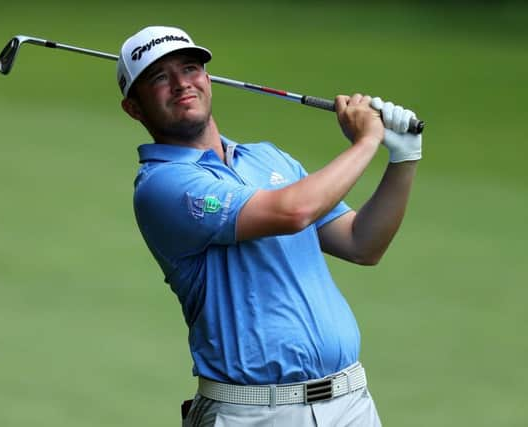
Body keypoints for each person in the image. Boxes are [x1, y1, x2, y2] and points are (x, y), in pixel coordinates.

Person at [117, 25, 421, 427]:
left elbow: (362, 243)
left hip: (351, 404)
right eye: (159, 78)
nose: (180, 84)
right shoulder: (162, 186)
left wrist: (403, 158)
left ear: (208, 78)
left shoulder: (269, 159)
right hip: (253, 412)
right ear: (134, 108)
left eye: (190, 69)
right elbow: (293, 212)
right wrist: (366, 142)